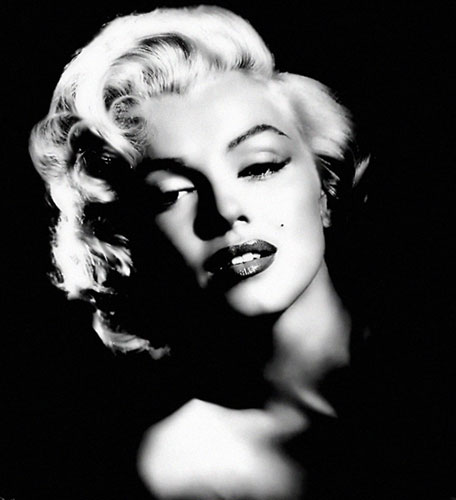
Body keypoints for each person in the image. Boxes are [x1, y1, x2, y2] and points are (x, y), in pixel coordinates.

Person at [29, 5, 373, 499]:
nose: (225, 210)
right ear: (129, 242)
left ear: (325, 185)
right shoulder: (189, 470)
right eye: (170, 193)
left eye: (259, 166)